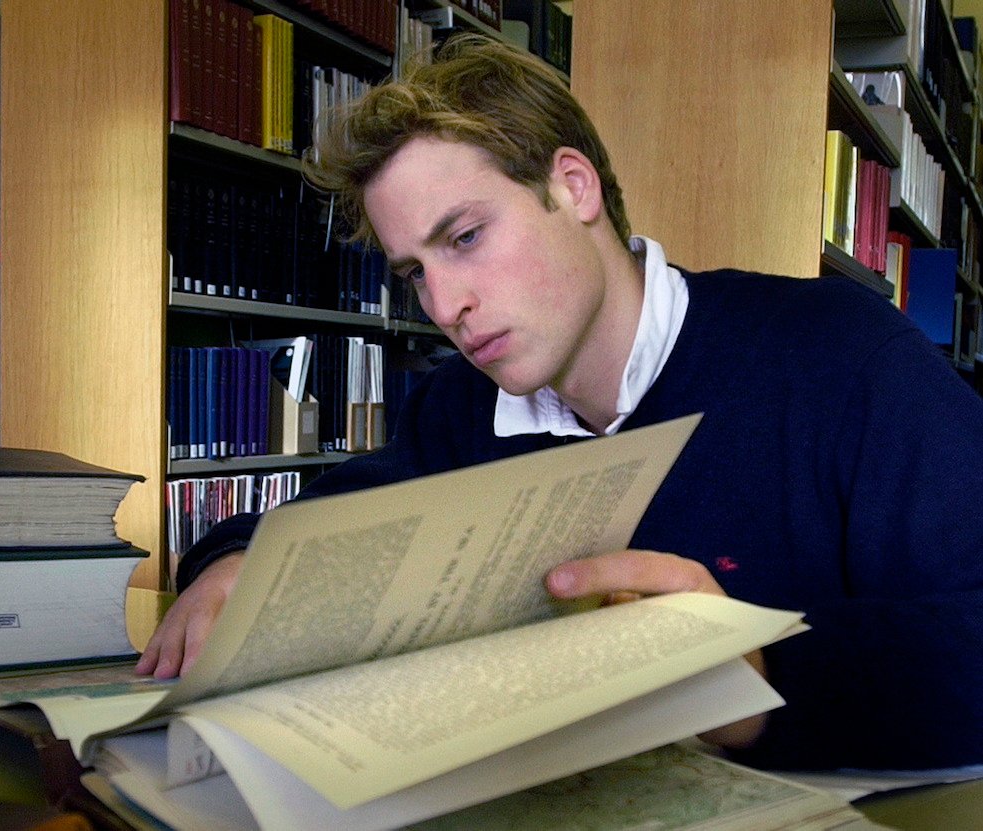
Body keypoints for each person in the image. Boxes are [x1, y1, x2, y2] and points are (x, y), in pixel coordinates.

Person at [137, 34, 983, 771]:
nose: (443, 306)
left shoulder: (840, 354)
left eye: (464, 238)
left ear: (572, 186)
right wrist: (231, 566)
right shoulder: (456, 412)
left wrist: (753, 678)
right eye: (414, 273)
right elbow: (319, 524)